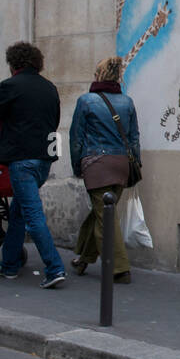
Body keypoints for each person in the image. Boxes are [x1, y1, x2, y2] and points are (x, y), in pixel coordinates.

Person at [0, 41, 66, 288]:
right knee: (18, 213)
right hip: (44, 160)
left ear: (13, 64)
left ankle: (54, 268)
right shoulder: (50, 88)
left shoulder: (10, 86)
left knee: (32, 216)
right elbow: (54, 122)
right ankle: (9, 265)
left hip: (22, 161)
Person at [68, 56, 139, 284]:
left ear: (98, 75)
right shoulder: (127, 102)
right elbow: (134, 137)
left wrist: (77, 164)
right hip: (121, 165)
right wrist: (135, 163)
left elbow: (76, 137)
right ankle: (83, 259)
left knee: (104, 217)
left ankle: (119, 268)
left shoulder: (86, 101)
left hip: (96, 164)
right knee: (102, 213)